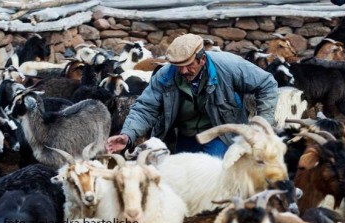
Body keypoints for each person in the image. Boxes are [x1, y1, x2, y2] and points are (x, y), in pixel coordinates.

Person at [105, 33, 278, 158]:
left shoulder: (229, 66)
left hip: (220, 132)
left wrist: (262, 128)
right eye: (177, 66)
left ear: (202, 59)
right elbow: (145, 108)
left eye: (188, 65)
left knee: (211, 177)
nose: (183, 71)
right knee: (182, 180)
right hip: (186, 135)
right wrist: (128, 135)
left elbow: (267, 84)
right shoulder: (165, 75)